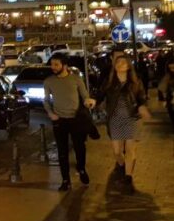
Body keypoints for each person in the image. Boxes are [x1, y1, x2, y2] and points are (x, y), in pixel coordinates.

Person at [97, 54, 151, 194]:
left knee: (130, 149)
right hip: (115, 119)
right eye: (117, 62)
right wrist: (93, 102)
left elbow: (142, 98)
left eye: (123, 62)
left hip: (132, 118)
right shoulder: (109, 82)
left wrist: (142, 107)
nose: (120, 64)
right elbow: (100, 96)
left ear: (128, 66)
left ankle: (128, 177)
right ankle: (121, 167)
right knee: (117, 152)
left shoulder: (135, 82)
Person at [42, 53, 97, 191]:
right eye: (52, 64)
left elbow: (85, 96)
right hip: (59, 120)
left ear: (64, 65)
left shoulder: (76, 79)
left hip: (76, 119)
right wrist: (50, 113)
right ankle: (65, 180)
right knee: (62, 151)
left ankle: (81, 168)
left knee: (80, 147)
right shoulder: (49, 81)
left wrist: (89, 102)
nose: (53, 67)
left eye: (56, 64)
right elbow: (46, 100)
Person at [157, 59, 174, 128]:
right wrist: (165, 99)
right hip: (171, 99)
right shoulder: (168, 76)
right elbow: (162, 87)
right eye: (171, 68)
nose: (172, 70)